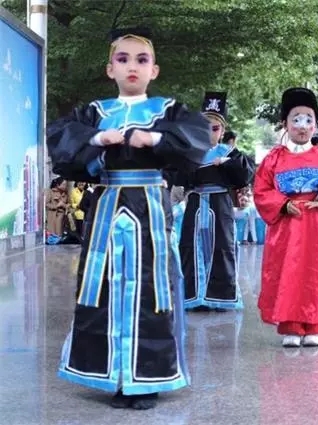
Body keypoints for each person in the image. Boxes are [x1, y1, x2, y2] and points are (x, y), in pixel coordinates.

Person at [46, 27, 211, 410]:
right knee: (102, 283)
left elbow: (197, 138)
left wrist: (153, 139)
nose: (132, 66)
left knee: (150, 286)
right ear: (110, 69)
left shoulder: (168, 110)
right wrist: (98, 139)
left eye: (141, 59)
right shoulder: (95, 112)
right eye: (123, 59)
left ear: (154, 70)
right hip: (107, 201)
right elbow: (61, 138)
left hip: (150, 203)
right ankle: (110, 374)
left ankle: (147, 378)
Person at [253, 87, 318, 348]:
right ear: (285, 123)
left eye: (309, 119)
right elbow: (261, 190)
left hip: (317, 225)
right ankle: (291, 326)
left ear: (315, 125)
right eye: (296, 119)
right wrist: (283, 204)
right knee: (287, 273)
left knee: (317, 273)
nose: (302, 126)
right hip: (287, 225)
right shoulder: (273, 159)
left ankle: (314, 326)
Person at [170, 92, 254, 312]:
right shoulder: (192, 152)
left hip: (219, 204)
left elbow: (245, 174)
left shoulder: (229, 152)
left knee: (222, 247)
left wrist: (226, 162)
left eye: (215, 128)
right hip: (196, 203)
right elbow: (178, 177)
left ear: (222, 131)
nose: (209, 132)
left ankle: (219, 296)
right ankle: (194, 295)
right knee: (191, 246)